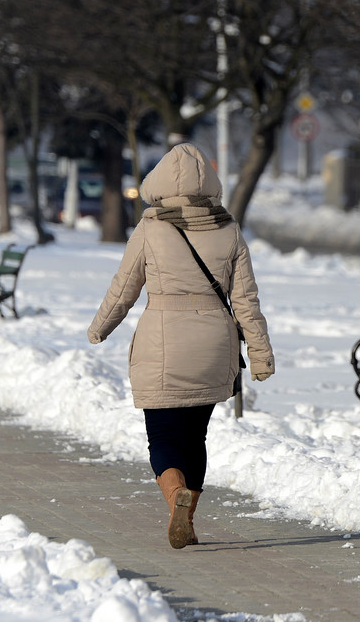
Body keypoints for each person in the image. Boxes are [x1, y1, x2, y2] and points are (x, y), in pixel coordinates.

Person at [87, 143, 274, 549]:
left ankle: (176, 500)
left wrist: (100, 327)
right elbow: (245, 300)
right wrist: (259, 353)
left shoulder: (150, 228)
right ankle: (186, 521)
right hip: (213, 345)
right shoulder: (228, 229)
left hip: (162, 343)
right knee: (196, 437)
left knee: (164, 437)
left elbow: (124, 288)